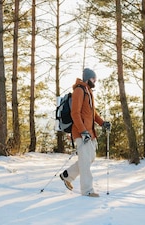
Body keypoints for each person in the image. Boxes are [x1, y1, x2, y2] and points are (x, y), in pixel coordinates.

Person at [60, 68, 111, 197]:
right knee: (85, 162)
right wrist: (83, 131)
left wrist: (102, 123)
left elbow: (92, 113)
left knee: (89, 159)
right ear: (88, 78)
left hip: (90, 132)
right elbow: (75, 113)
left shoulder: (88, 92)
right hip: (81, 132)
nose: (95, 81)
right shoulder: (79, 90)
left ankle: (67, 175)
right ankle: (87, 190)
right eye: (94, 79)